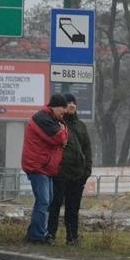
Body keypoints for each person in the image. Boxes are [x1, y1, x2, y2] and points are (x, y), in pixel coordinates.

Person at [22, 93, 69, 244]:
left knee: (45, 202)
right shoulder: (42, 118)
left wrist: (62, 130)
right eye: (63, 109)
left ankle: (34, 232)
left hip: (46, 167)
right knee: (43, 201)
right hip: (37, 166)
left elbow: (64, 135)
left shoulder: (53, 119)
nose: (64, 113)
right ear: (55, 107)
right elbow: (60, 138)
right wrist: (62, 131)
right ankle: (37, 235)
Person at [47, 92, 93, 246]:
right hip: (60, 173)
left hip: (78, 174)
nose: (72, 105)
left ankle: (72, 237)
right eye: (69, 103)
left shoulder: (81, 126)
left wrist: (87, 171)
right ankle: (50, 235)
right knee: (55, 204)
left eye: (74, 103)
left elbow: (87, 149)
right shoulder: (56, 124)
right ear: (62, 107)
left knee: (73, 208)